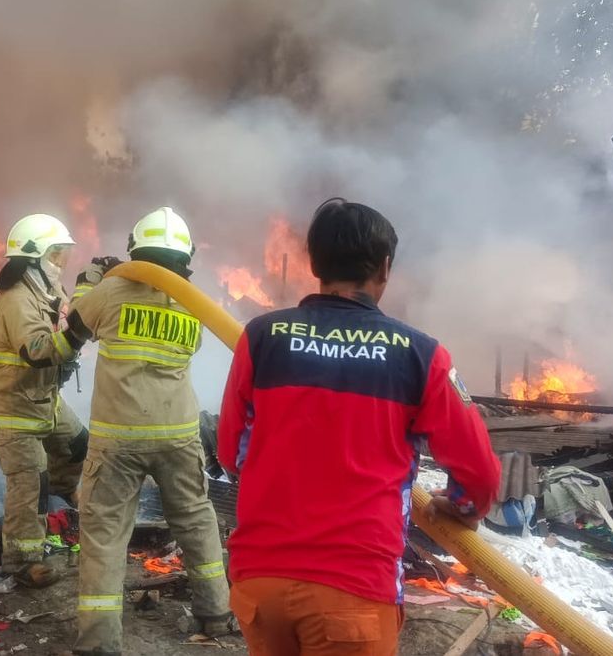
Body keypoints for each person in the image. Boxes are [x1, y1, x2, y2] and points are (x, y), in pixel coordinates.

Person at [216, 198, 502, 656]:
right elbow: (481, 475)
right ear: (385, 268)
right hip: (354, 592)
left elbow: (231, 453)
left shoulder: (261, 336)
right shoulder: (420, 354)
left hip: (260, 584)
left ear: (314, 262)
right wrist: (462, 506)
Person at [65, 206, 232, 655]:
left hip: (118, 438)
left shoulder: (113, 290)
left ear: (135, 249)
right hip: (178, 435)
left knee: (104, 535)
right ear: (186, 256)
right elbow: (192, 345)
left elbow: (76, 325)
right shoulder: (193, 302)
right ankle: (216, 612)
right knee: (197, 521)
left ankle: (99, 642)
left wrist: (90, 281)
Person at [0, 213, 90, 589]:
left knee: (78, 446)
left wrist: (91, 291)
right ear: (34, 257)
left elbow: (69, 317)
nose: (61, 262)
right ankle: (22, 561)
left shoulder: (43, 289)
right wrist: (77, 332)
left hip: (43, 398)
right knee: (30, 478)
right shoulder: (17, 299)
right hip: (13, 406)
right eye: (56, 255)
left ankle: (61, 494)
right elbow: (39, 350)